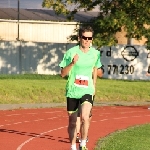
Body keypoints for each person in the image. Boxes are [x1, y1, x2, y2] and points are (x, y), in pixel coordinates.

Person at [59, 26, 102, 150]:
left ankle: (83, 144)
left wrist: (99, 74)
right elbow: (62, 74)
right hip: (73, 90)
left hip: (87, 90)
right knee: (72, 122)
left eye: (90, 38)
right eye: (85, 38)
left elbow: (97, 69)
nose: (87, 40)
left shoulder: (95, 53)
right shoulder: (71, 52)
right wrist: (72, 63)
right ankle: (73, 147)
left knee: (84, 117)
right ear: (79, 38)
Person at [76, 68, 103, 143]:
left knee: (87, 115)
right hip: (77, 87)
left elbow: (98, 71)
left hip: (88, 89)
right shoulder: (76, 57)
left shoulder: (93, 57)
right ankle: (78, 134)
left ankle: (84, 134)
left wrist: (94, 85)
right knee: (78, 113)